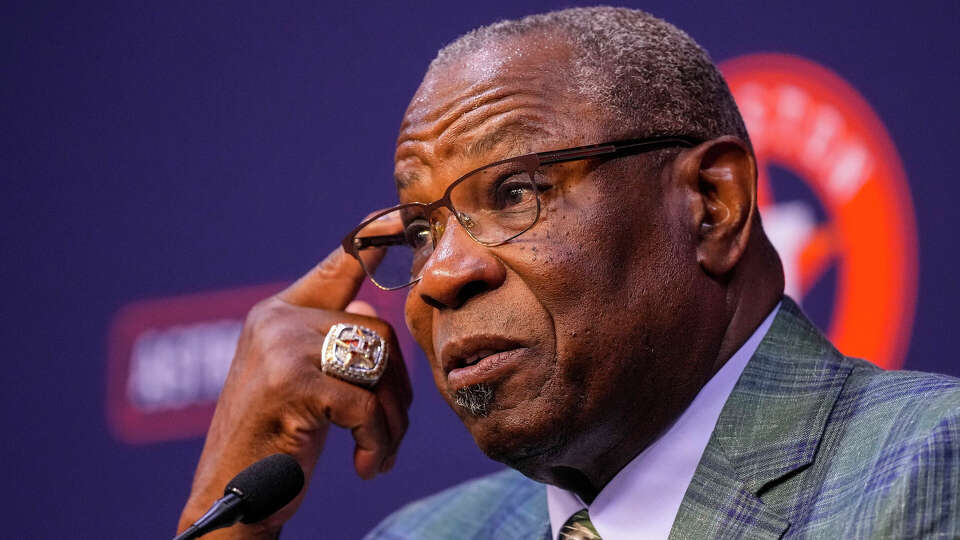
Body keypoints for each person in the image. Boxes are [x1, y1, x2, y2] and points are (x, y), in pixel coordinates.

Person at [177, 7, 960, 539]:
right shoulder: (425, 535)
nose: (442, 275)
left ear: (712, 204)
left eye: (517, 192)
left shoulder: (931, 468)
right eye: (420, 231)